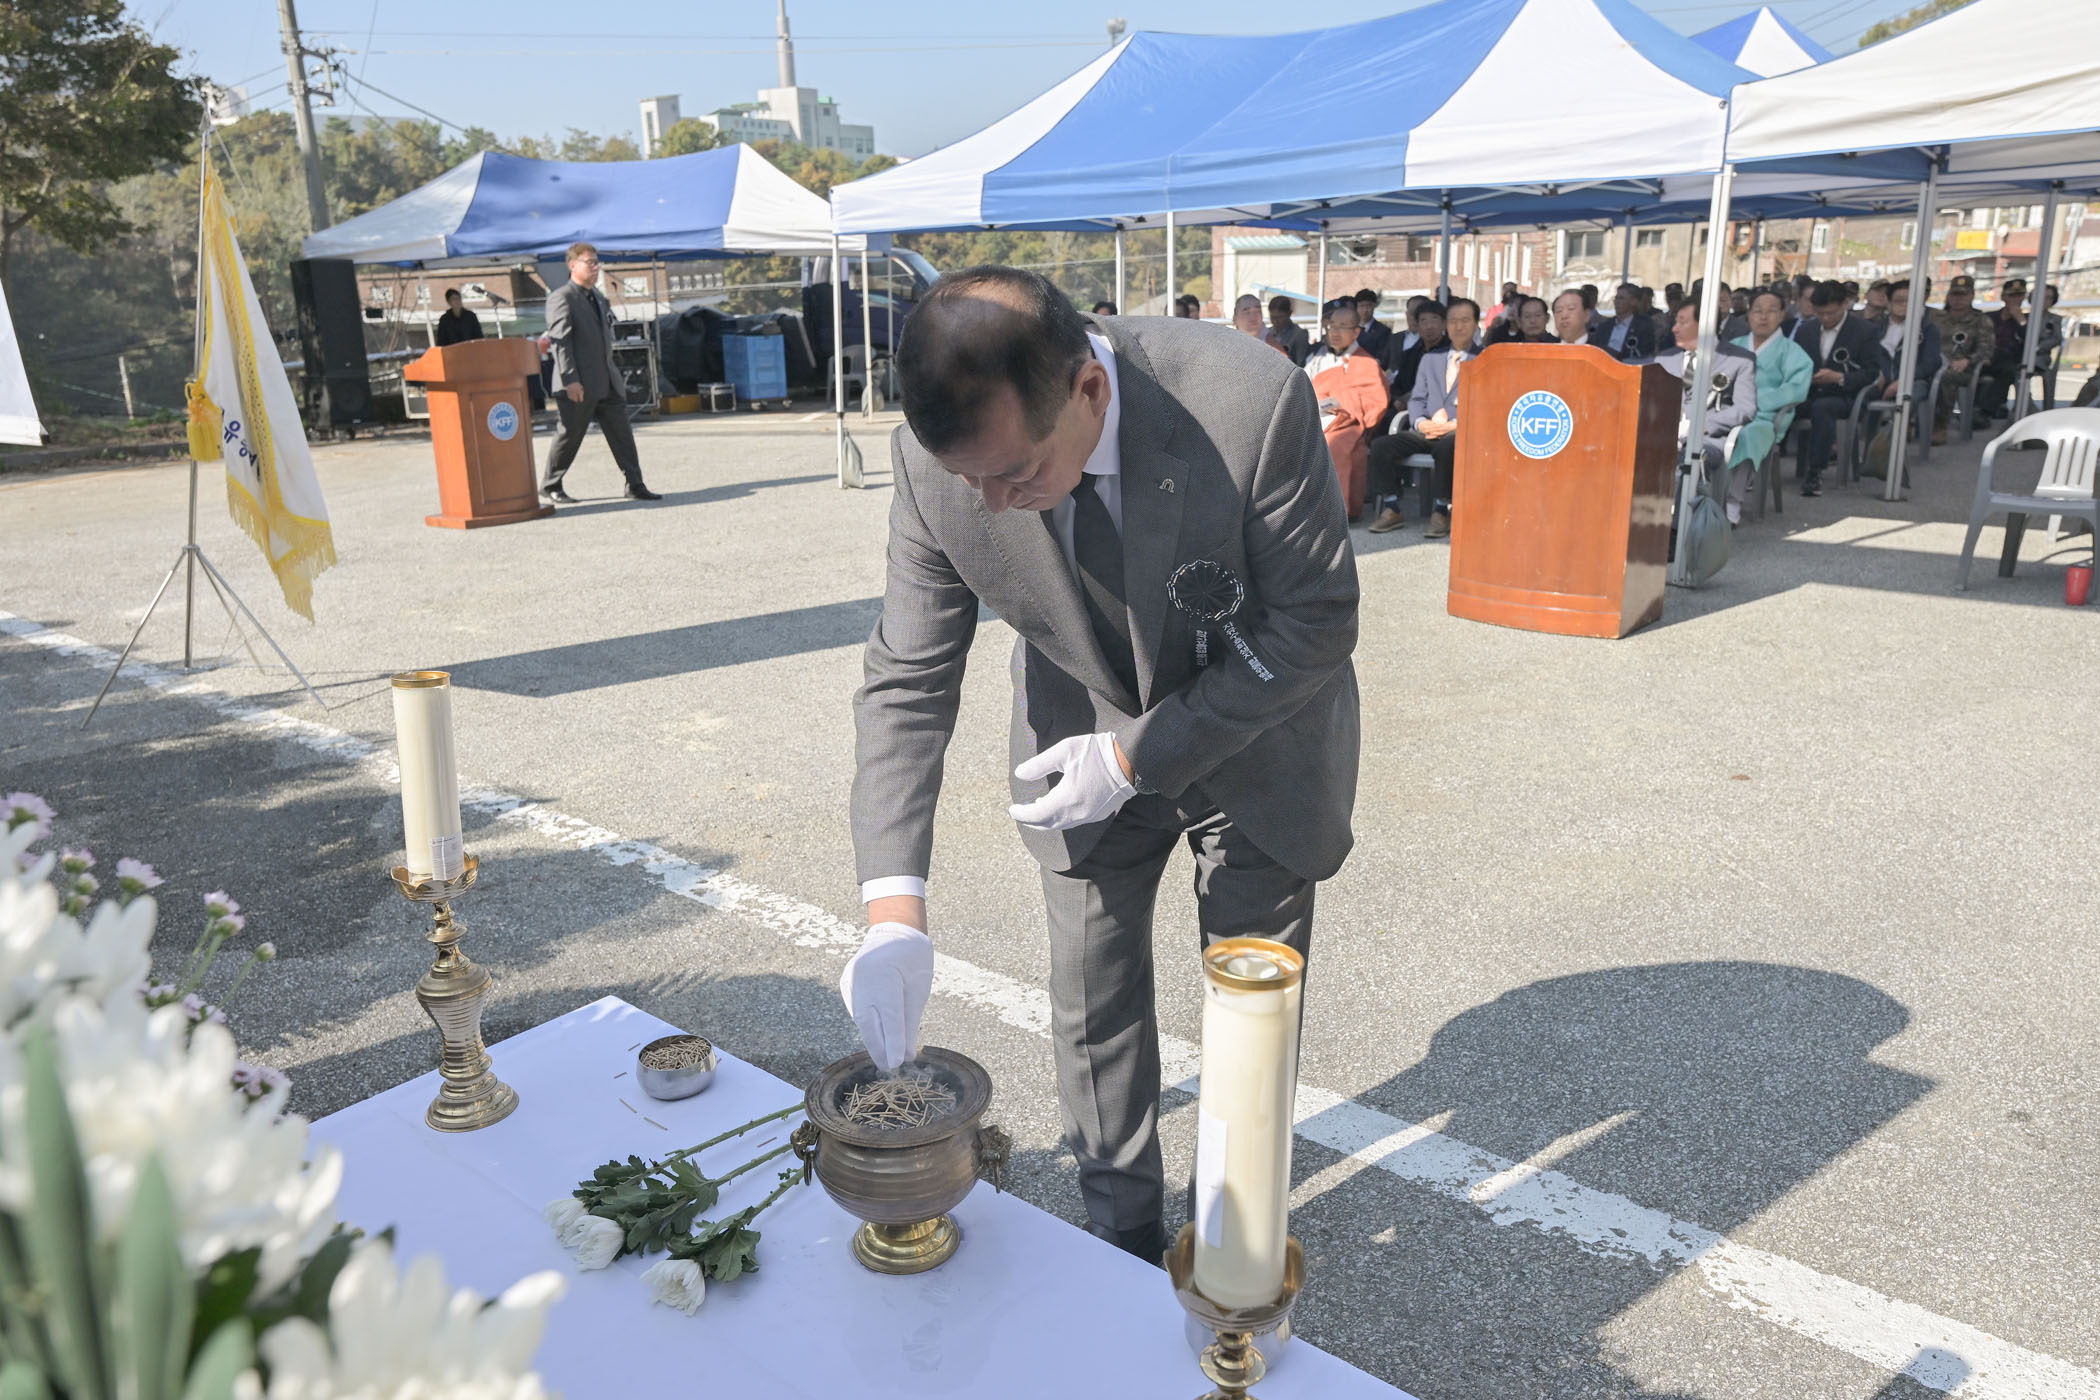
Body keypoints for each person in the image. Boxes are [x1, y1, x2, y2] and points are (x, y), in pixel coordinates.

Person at [843, 265, 1360, 1265]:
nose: (992, 502)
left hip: (1255, 733)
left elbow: (1316, 621)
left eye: (1016, 473)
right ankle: (1116, 1243)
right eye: (970, 480)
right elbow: (908, 675)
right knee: (1093, 1009)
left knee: (1250, 1019)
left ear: (1088, 389)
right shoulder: (939, 461)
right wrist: (892, 908)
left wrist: (1136, 754)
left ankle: (1233, 1253)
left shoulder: (1247, 401)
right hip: (1071, 742)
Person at [540, 242, 659, 504]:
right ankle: (551, 485)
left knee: (622, 434)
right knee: (569, 435)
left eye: (597, 262)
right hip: (578, 382)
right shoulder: (562, 298)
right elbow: (561, 342)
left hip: (606, 380)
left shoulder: (598, 297)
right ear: (573, 265)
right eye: (590, 262)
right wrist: (570, 379)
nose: (596, 267)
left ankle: (635, 484)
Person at [1370, 297, 1477, 540]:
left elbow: (1486, 405)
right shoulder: (1431, 359)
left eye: (1465, 320)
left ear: (1475, 324)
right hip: (1425, 429)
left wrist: (1454, 425)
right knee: (1381, 446)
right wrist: (1420, 422)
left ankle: (1441, 510)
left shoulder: (1484, 359)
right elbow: (1417, 398)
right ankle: (1392, 506)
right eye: (1453, 321)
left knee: (1447, 448)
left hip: (1460, 431)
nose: (1458, 326)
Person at [1656, 299, 1758, 521]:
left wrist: (1703, 425)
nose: (1674, 328)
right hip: (1664, 434)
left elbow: (1745, 408)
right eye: (1675, 321)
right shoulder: (1664, 359)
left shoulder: (1738, 360)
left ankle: (1677, 529)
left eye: (1682, 322)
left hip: (1707, 438)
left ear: (1705, 326)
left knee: (1690, 460)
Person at [1788, 279, 1882, 497]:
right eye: (1820, 313)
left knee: (1823, 408)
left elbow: (1871, 372)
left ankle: (1815, 471)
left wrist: (1839, 377)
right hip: (1810, 391)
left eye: (1831, 313)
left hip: (1844, 394)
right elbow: (1794, 365)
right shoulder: (1806, 330)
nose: (1825, 318)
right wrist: (1805, 377)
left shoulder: (1865, 331)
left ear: (1844, 305)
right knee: (1776, 404)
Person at [1303, 302, 1389, 520]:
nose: (1335, 332)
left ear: (1356, 332)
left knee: (1337, 443)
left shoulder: (1367, 363)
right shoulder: (1318, 359)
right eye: (1332, 326)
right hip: (1317, 419)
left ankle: (1336, 511)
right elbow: (1305, 391)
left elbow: (1375, 402)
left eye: (1343, 327)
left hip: (1351, 425)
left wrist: (1344, 407)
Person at [1732, 287, 1813, 512]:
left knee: (1746, 434)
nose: (1763, 316)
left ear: (1782, 315)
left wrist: (1756, 402)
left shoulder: (1792, 352)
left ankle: (1732, 500)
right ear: (1748, 314)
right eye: (1757, 310)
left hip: (1766, 417)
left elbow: (1796, 389)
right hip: (1730, 410)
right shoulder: (1734, 346)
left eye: (1771, 311)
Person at [1927, 273, 1993, 444]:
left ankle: (1940, 425)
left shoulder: (1980, 320)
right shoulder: (1936, 318)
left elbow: (1986, 349)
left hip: (1962, 368)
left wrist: (1968, 360)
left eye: (1963, 295)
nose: (1958, 299)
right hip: (1933, 363)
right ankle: (1910, 423)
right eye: (1955, 294)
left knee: (1946, 377)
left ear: (1971, 296)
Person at [1603, 283, 1655, 363]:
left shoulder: (1644, 326)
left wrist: (1616, 356)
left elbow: (1643, 354)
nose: (1616, 302)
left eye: (1621, 298)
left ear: (1633, 302)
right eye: (1616, 298)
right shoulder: (1605, 325)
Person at [1263, 295, 1309, 364]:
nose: (1275, 321)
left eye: (1279, 317)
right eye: (1272, 317)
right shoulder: (1266, 333)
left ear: (1289, 314)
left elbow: (1301, 364)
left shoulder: (1300, 335)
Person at [1353, 288, 1392, 360]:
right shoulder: (1351, 329)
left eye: (1369, 305)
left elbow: (1384, 356)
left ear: (1374, 306)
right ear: (1356, 307)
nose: (1365, 310)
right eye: (1361, 306)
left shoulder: (1383, 331)